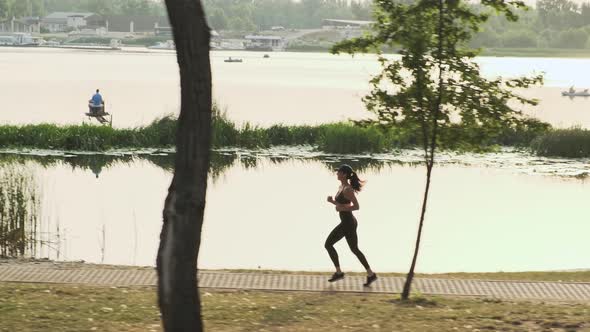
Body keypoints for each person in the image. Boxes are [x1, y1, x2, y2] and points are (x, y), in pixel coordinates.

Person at [325, 164, 377, 287]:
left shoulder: (348, 189)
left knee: (328, 244)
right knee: (354, 249)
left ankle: (339, 273)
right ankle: (371, 274)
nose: (337, 173)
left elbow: (356, 206)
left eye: (338, 172)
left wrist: (340, 207)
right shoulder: (341, 186)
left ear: (343, 174)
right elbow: (341, 205)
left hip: (348, 223)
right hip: (347, 222)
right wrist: (333, 202)